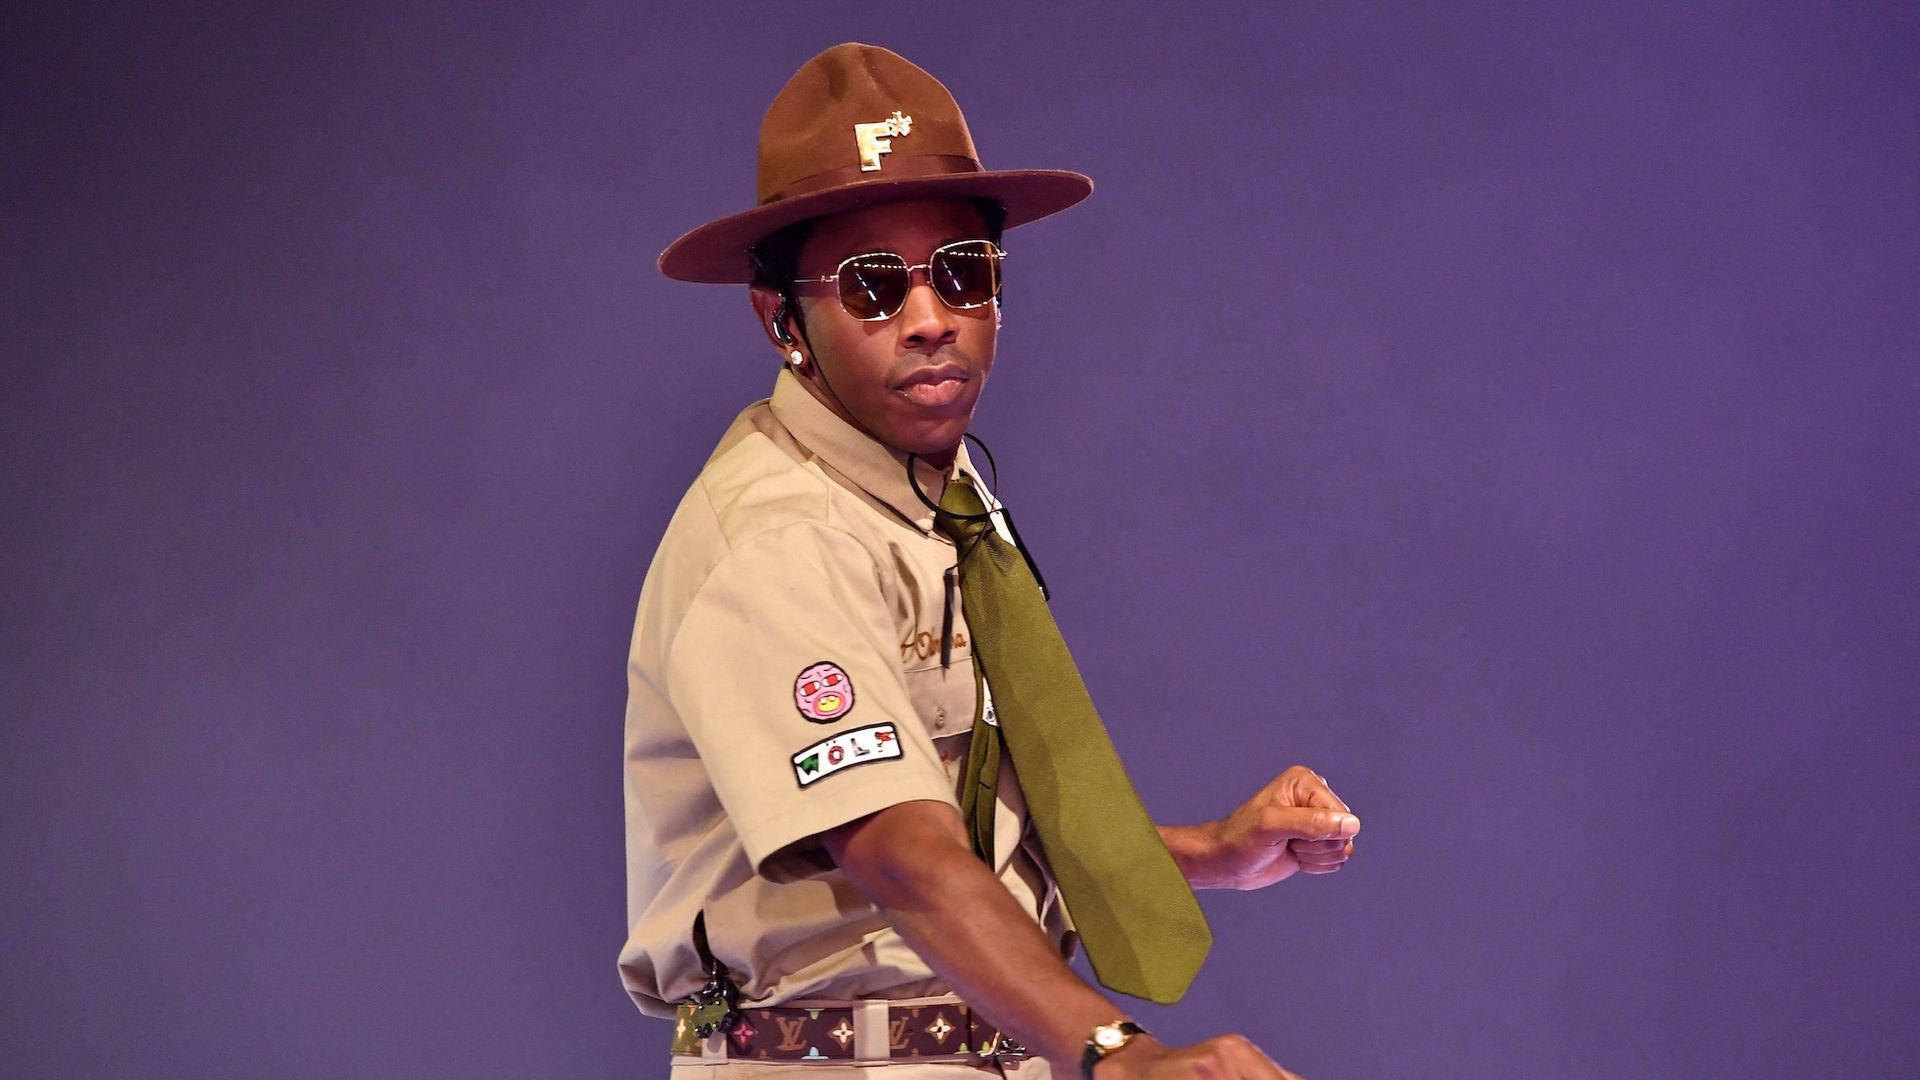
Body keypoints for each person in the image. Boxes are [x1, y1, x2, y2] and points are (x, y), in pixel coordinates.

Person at [621, 43, 1361, 1080]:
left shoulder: (939, 496)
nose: (931, 318)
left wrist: (1206, 853)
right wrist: (1124, 1056)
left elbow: (966, 817)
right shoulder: (780, 535)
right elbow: (899, 852)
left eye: (962, 272)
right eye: (874, 287)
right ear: (782, 320)